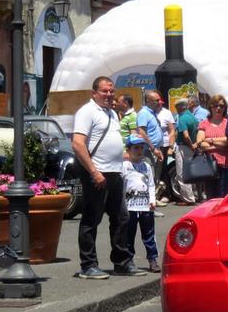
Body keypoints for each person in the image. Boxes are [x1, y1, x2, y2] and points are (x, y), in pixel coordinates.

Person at [72, 76, 144, 279]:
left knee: (121, 218)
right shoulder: (87, 112)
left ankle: (121, 262)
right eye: (104, 91)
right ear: (94, 92)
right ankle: (88, 265)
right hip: (97, 173)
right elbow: (77, 144)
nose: (109, 94)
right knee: (91, 220)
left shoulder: (112, 113)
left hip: (115, 172)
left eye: (111, 91)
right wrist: (94, 171)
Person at [122, 135, 160, 273]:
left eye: (141, 147)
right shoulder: (125, 166)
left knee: (149, 233)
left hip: (145, 206)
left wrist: (152, 199)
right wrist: (122, 204)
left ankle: (152, 258)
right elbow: (123, 186)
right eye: (136, 148)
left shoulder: (147, 166)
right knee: (129, 234)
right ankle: (129, 258)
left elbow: (150, 184)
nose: (139, 151)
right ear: (129, 149)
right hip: (130, 206)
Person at [195, 94, 228, 198]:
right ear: (210, 107)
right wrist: (221, 146)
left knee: (223, 197)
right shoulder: (204, 123)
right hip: (208, 165)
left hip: (226, 165)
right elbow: (200, 143)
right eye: (216, 105)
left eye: (222, 106)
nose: (218, 108)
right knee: (211, 197)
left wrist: (210, 140)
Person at [173, 96, 199, 205]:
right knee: (191, 172)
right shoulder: (193, 117)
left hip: (184, 147)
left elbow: (185, 135)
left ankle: (188, 198)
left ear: (179, 107)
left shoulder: (182, 118)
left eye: (176, 107)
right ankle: (195, 195)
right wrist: (194, 145)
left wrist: (190, 144)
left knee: (182, 174)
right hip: (192, 148)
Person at [155, 96, 176, 206]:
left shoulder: (166, 113)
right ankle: (154, 194)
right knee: (154, 171)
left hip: (164, 145)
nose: (159, 104)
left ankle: (165, 194)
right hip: (152, 146)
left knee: (163, 170)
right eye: (156, 102)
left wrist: (170, 146)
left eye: (160, 102)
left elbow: (172, 130)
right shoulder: (148, 112)